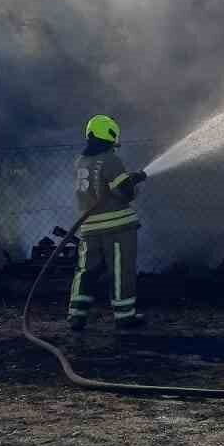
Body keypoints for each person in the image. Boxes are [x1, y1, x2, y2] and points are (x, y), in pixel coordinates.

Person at [67, 115, 147, 337]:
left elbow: (97, 189)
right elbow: (125, 193)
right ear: (110, 136)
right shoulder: (110, 160)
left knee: (85, 271)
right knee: (121, 270)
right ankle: (124, 316)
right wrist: (135, 181)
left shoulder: (80, 162)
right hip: (118, 227)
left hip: (89, 229)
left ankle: (76, 315)